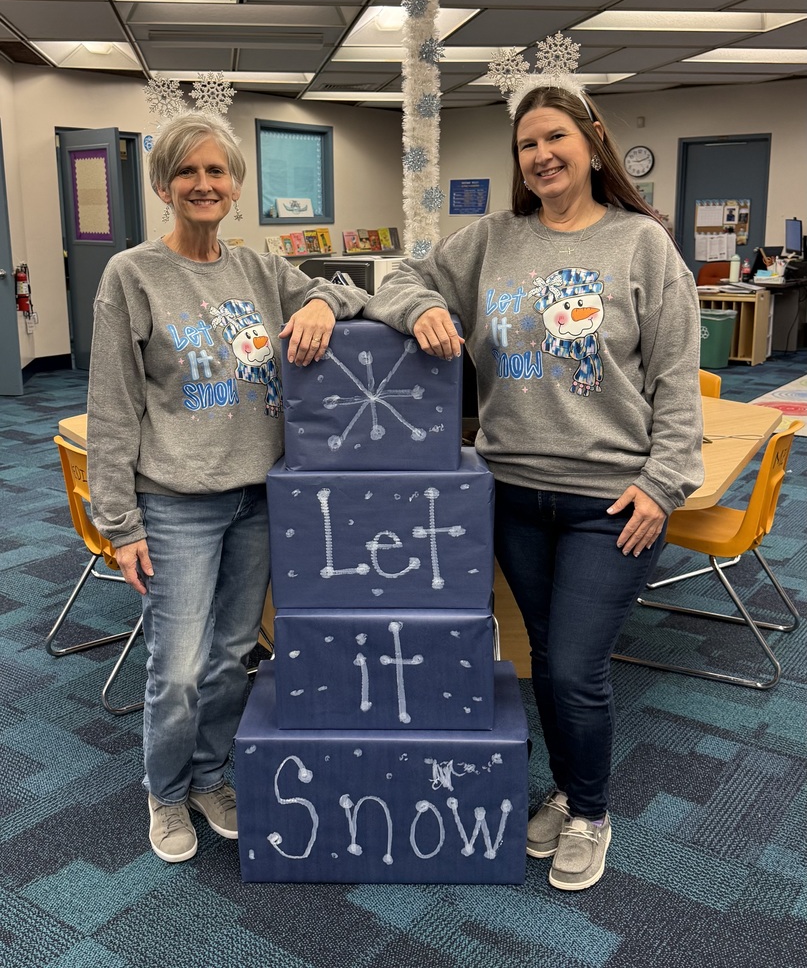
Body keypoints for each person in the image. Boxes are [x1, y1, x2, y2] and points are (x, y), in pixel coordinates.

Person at [365, 82, 704, 890]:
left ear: (591, 142)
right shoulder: (492, 240)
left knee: (571, 667)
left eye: (555, 138)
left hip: (611, 502)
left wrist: (662, 485)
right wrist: (418, 310)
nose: (541, 155)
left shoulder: (640, 244)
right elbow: (398, 280)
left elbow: (676, 377)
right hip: (513, 492)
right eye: (526, 145)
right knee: (546, 654)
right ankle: (565, 788)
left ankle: (589, 811)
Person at [87, 112, 368, 863]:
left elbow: (341, 290)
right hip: (176, 502)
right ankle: (166, 791)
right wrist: (120, 524)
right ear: (163, 185)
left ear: (236, 187)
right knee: (176, 667)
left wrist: (313, 303)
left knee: (230, 655)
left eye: (217, 172)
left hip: (257, 499)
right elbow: (111, 405)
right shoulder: (133, 274)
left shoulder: (256, 270)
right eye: (188, 172)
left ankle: (211, 777)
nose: (203, 184)